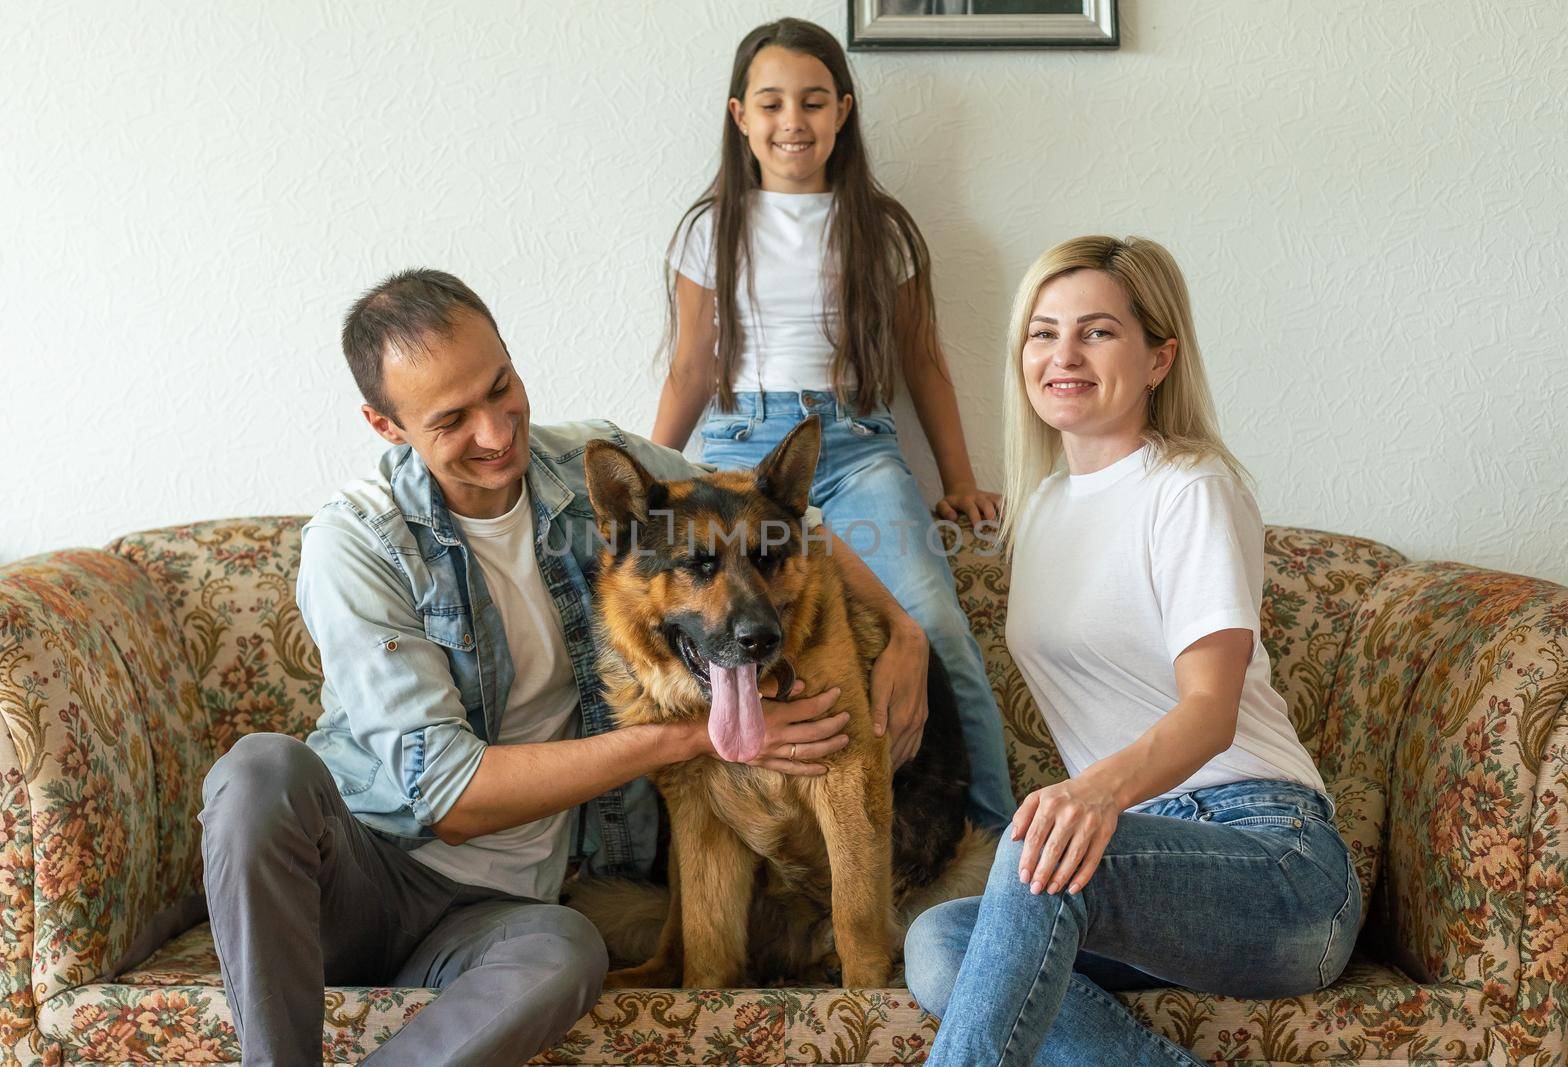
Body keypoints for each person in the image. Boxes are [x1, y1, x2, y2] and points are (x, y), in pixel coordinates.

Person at [198, 269, 928, 1067]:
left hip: (507, 910)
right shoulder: (356, 543)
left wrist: (903, 630)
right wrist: (689, 740)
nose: (495, 431)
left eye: (500, 386)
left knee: (569, 954)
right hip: (363, 876)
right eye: (451, 419)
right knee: (258, 770)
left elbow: (778, 513)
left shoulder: (591, 470)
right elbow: (450, 797)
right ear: (386, 424)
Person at [904, 236, 1361, 1066]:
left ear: (1159, 358)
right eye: (1043, 332)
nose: (1063, 355)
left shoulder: (1191, 488)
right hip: (1130, 869)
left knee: (1033, 848)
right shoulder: (1041, 508)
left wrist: (1093, 796)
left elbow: (1210, 712)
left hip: (1273, 862)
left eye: (1098, 332)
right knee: (939, 941)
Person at [650, 16, 1015, 830]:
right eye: (773, 103)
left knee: (940, 629)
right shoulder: (709, 228)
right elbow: (689, 369)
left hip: (854, 450)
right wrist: (652, 473)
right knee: (684, 643)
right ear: (740, 115)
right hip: (741, 453)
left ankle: (1001, 848)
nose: (793, 122)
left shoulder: (880, 228)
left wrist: (957, 481)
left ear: (843, 111)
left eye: (813, 102)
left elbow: (923, 362)